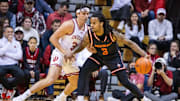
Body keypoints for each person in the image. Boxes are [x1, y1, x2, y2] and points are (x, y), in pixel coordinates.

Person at [13, 4, 90, 101]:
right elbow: (52, 38)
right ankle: (23, 96)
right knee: (50, 79)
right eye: (84, 13)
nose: (86, 16)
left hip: (71, 57)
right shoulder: (69, 25)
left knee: (75, 84)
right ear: (77, 14)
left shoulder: (87, 29)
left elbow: (84, 45)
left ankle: (61, 98)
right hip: (60, 53)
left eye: (87, 14)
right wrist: (64, 52)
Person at [76, 12, 148, 101]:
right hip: (98, 56)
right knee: (84, 70)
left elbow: (130, 43)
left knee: (124, 81)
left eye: (94, 23)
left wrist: (144, 54)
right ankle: (79, 98)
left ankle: (143, 98)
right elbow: (81, 46)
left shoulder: (112, 34)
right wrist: (71, 53)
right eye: (91, 23)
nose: (92, 25)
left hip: (113, 58)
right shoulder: (89, 35)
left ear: (101, 23)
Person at [0, 26, 24, 99]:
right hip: (2, 65)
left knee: (21, 75)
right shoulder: (0, 41)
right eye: (8, 32)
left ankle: (7, 87)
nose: (10, 34)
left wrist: (6, 54)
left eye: (11, 32)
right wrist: (9, 43)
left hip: (14, 65)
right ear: (4, 33)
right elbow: (0, 53)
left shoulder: (17, 43)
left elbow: (19, 56)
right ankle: (9, 88)